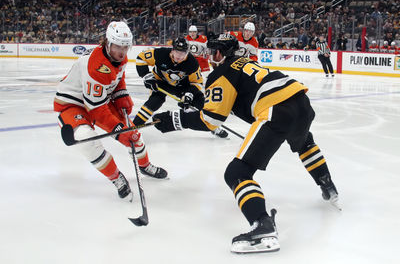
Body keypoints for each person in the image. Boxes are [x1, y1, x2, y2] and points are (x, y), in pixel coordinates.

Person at [152, 33, 339, 254]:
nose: (210, 56)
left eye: (213, 52)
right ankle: (327, 185)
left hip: (275, 109)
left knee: (236, 173)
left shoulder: (220, 73)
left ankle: (262, 225)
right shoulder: (246, 63)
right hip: (301, 101)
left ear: (219, 54)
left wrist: (173, 121)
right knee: (305, 142)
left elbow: (211, 120)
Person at [53, 21, 168, 200]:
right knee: (86, 140)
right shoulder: (95, 65)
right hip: (73, 104)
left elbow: (117, 78)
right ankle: (116, 177)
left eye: (126, 47)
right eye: (117, 47)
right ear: (108, 42)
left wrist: (121, 94)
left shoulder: (119, 57)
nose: (122, 52)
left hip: (99, 99)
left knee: (134, 135)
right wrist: (117, 130)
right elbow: (96, 109)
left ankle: (145, 165)